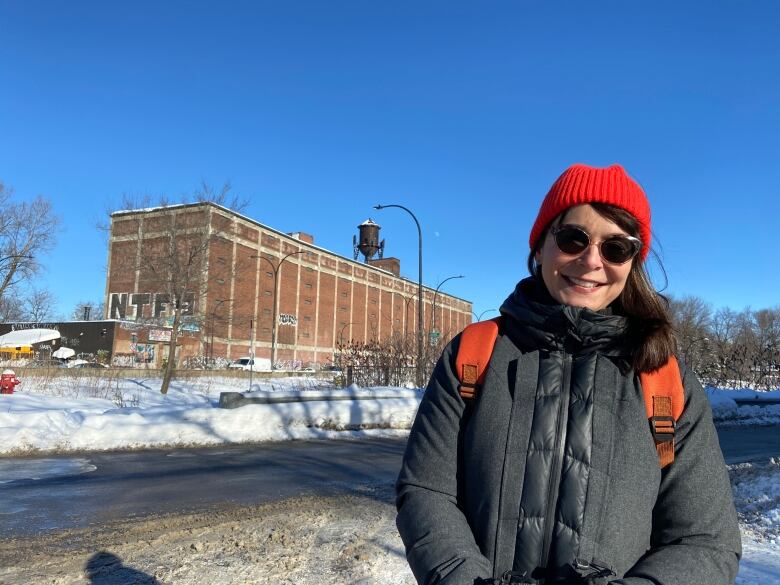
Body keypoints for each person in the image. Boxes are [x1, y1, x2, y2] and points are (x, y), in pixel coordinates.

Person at [395, 163, 741, 585]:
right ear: (540, 247)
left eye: (616, 247)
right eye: (573, 238)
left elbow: (706, 539)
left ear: (632, 263)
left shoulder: (664, 377)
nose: (592, 261)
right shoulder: (474, 353)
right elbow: (426, 492)